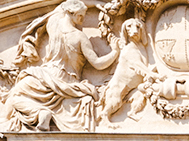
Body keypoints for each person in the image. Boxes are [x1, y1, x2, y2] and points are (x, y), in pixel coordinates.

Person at [0, 0, 118, 131]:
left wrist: (93, 4)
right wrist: (115, 52)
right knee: (17, 91)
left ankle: (22, 117)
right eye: (80, 15)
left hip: (45, 75)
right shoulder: (80, 37)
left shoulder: (54, 23)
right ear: (70, 13)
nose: (83, 18)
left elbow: (65, 4)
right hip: (67, 80)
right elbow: (97, 63)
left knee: (17, 91)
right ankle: (40, 114)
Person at [99, 18, 151, 122]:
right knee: (116, 102)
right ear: (125, 32)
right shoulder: (129, 49)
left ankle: (132, 112)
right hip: (119, 86)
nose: (135, 31)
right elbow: (138, 65)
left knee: (140, 96)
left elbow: (144, 66)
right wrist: (155, 75)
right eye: (129, 27)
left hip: (133, 87)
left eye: (138, 27)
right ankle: (104, 117)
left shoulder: (140, 47)